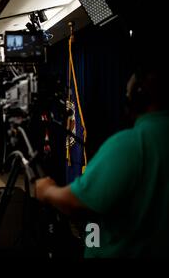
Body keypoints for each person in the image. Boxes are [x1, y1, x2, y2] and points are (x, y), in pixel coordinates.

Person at [36, 63, 169, 257]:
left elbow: (75, 203)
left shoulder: (130, 144)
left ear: (139, 98)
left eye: (128, 94)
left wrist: (47, 190)